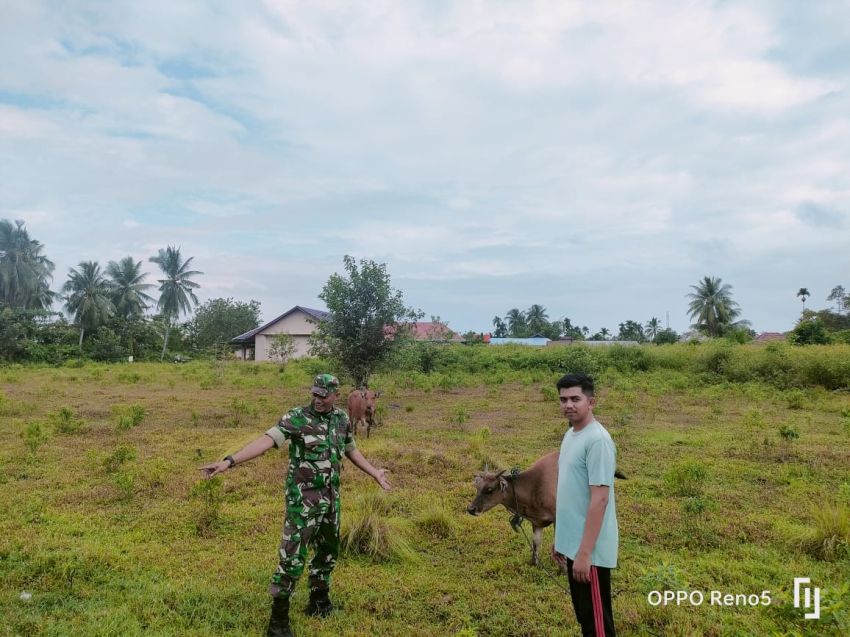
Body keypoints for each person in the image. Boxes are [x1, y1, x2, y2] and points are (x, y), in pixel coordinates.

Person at [200, 374, 391, 637]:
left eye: (324, 395)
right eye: (315, 394)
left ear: (336, 395)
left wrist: (374, 472)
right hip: (303, 501)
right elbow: (266, 441)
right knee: (292, 556)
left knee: (328, 550)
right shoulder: (297, 418)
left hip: (331, 497)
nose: (318, 399)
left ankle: (319, 602)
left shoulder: (341, 419)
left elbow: (351, 450)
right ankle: (278, 622)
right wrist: (229, 461)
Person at [550, 373, 618, 637]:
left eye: (575, 398)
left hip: (590, 552)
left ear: (591, 402)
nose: (569, 405)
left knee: (598, 626)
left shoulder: (597, 441)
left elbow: (600, 499)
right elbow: (571, 494)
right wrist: (562, 539)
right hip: (574, 545)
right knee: (585, 617)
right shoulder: (571, 434)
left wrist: (585, 554)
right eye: (563, 399)